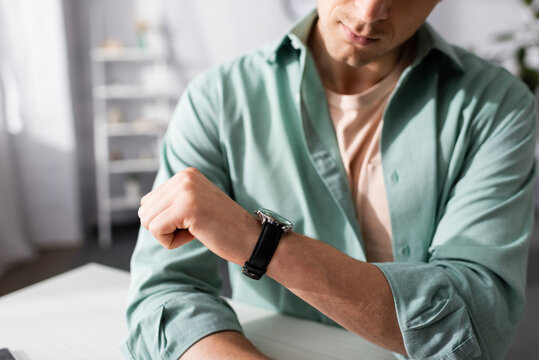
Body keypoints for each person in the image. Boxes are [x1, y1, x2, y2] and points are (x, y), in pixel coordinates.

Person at [121, 1, 536, 359]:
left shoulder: (498, 108)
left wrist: (258, 242)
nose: (370, 12)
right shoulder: (217, 100)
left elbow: (479, 323)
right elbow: (165, 293)